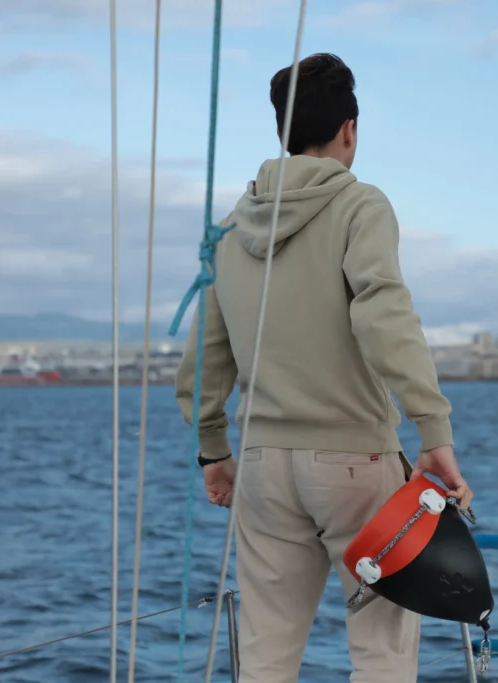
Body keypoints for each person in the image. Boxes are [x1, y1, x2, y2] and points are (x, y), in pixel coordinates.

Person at [175, 52, 470, 683]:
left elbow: (207, 350)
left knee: (264, 657)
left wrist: (211, 449)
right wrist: (433, 431)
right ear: (349, 129)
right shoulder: (361, 206)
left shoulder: (231, 227)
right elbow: (384, 315)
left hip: (260, 466)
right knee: (381, 652)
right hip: (353, 463)